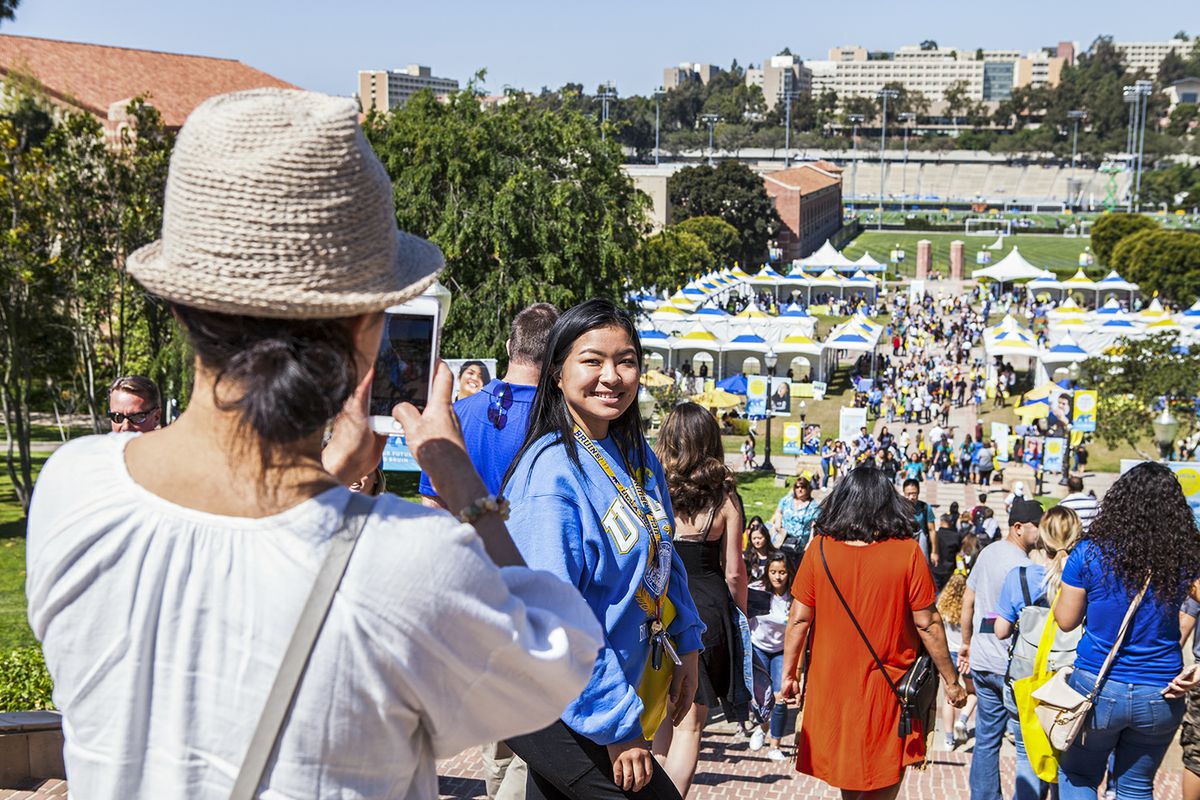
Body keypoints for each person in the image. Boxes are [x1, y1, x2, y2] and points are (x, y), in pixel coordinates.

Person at [25, 89, 602, 798]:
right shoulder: (406, 564)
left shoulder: (74, 488)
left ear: (177, 303)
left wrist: (330, 471)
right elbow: (559, 651)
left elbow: (239, 563)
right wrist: (468, 494)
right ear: (370, 326)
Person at [502, 299, 705, 800]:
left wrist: (688, 639)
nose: (611, 376)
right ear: (556, 373)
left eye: (627, 360)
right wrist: (617, 725)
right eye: (592, 360)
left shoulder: (633, 454)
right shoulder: (550, 473)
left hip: (602, 684)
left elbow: (663, 552)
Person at [418, 302, 560, 799]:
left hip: (476, 588)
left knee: (497, 737)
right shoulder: (560, 417)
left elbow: (432, 504)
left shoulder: (465, 411)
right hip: (542, 586)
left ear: (508, 348)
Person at [780, 467, 966, 799]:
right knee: (884, 777)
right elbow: (928, 623)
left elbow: (798, 620)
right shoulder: (907, 551)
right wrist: (951, 679)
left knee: (849, 779)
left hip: (833, 686)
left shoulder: (820, 549)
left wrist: (789, 674)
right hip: (888, 686)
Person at [1053, 462, 1200, 799]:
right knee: (1135, 787)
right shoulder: (1185, 558)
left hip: (1097, 684)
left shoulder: (1089, 553)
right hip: (1161, 690)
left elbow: (1066, 620)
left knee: (1078, 776)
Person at [652, 403, 747, 798]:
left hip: (657, 606)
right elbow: (734, 572)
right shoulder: (724, 499)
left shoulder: (650, 486)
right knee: (690, 723)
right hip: (707, 610)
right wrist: (740, 619)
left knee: (659, 718)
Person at [419, 303, 559, 504]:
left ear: (509, 346)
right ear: (556, 353)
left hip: (465, 532)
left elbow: (433, 504)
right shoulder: (566, 418)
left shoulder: (452, 416)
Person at [993, 506, 1083, 800]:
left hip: (1025, 681)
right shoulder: (1088, 581)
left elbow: (1001, 631)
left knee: (1025, 756)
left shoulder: (1021, 576)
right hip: (1068, 688)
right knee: (1066, 762)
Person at [959, 498, 1044, 800]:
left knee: (985, 740)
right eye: (1038, 527)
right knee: (1026, 746)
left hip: (982, 660)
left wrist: (966, 643)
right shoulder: (1026, 568)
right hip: (1011, 666)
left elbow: (968, 601)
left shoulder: (987, 552)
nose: (1042, 533)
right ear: (1019, 528)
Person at [748, 552, 793, 762]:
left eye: (782, 572)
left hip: (782, 650)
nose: (777, 577)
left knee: (780, 697)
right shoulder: (757, 590)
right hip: (758, 647)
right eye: (773, 572)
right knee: (759, 697)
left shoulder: (794, 597)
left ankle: (775, 744)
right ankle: (761, 727)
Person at [937, 573, 978, 750]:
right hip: (965, 653)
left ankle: (948, 739)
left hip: (948, 655)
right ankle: (963, 719)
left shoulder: (942, 607)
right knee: (972, 692)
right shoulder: (968, 609)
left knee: (948, 697)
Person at [771, 476, 820, 573]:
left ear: (808, 489)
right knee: (783, 567)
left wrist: (810, 542)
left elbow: (814, 526)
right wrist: (778, 522)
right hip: (783, 540)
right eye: (797, 487)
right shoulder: (786, 500)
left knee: (796, 569)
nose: (800, 490)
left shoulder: (813, 506)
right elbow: (778, 512)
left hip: (800, 544)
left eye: (803, 487)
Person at [903, 478, 937, 567]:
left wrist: (934, 552)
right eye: (908, 494)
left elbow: (932, 530)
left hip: (921, 542)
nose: (911, 497)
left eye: (914, 494)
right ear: (904, 493)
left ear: (918, 493)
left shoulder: (925, 508)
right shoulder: (899, 508)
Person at [931, 513, 961, 591]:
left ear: (941, 522)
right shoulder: (956, 536)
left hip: (935, 568)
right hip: (949, 570)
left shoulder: (936, 535)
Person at [743, 517, 774, 581]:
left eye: (759, 538)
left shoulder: (774, 556)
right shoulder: (746, 556)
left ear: (766, 537)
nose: (757, 541)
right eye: (754, 538)